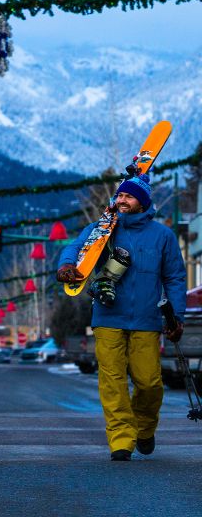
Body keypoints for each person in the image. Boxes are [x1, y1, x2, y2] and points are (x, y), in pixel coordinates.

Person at [56, 174, 186, 461]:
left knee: (149, 383)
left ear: (143, 201)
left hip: (147, 319)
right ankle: (121, 440)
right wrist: (66, 264)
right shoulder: (103, 229)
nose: (121, 200)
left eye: (128, 196)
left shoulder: (162, 235)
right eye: (119, 196)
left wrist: (176, 315)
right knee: (112, 381)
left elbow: (175, 277)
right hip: (108, 317)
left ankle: (144, 428)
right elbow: (74, 247)